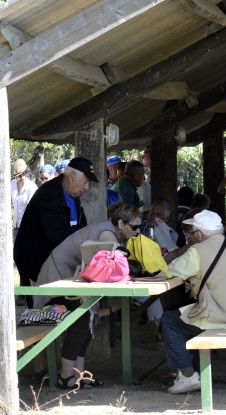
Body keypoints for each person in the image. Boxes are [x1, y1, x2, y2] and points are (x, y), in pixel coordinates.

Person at [33, 203, 142, 389]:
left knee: (86, 323)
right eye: (135, 227)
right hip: (58, 275)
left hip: (75, 279)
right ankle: (66, 376)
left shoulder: (115, 233)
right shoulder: (107, 234)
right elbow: (110, 267)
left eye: (140, 226)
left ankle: (79, 375)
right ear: (121, 223)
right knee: (80, 324)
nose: (138, 231)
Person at [161, 211, 226, 393]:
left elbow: (170, 271)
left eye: (191, 233)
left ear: (199, 234)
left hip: (223, 317)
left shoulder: (197, 251)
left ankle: (187, 376)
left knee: (170, 320)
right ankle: (195, 370)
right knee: (185, 313)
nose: (189, 237)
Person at [13, 158, 96, 289]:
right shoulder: (49, 194)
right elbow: (57, 233)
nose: (86, 188)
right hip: (34, 261)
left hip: (56, 262)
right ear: (72, 177)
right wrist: (82, 232)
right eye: (85, 183)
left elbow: (82, 225)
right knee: (42, 308)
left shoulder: (74, 196)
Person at [11, 159, 37, 242]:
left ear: (26, 174)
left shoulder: (32, 188)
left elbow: (32, 209)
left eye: (20, 176)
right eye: (16, 176)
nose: (18, 179)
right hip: (16, 227)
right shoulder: (11, 185)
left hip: (28, 227)